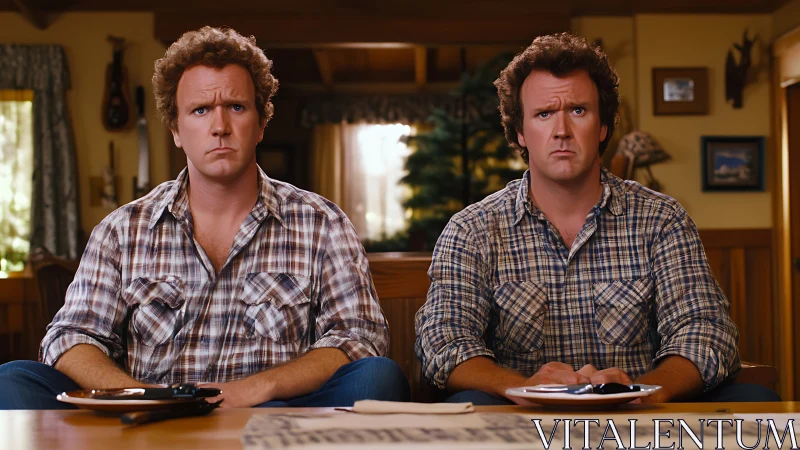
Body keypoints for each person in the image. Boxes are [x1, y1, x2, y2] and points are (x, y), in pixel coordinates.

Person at [0, 26, 409, 409]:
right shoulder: (122, 230)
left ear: (262, 121)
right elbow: (71, 337)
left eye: (236, 106)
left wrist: (253, 390)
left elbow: (361, 338)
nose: (220, 126)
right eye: (199, 110)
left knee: (378, 377)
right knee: (12, 379)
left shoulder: (322, 223)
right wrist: (143, 395)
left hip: (277, 417)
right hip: (147, 420)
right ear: (176, 129)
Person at [415, 32, 779, 405]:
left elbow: (706, 331)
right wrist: (519, 387)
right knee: (471, 404)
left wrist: (646, 391)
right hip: (518, 420)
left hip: (641, 419)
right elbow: (444, 340)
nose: (561, 131)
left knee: (758, 399)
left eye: (578, 111)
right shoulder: (472, 229)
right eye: (544, 114)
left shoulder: (661, 220)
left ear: (603, 127)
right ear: (521, 133)